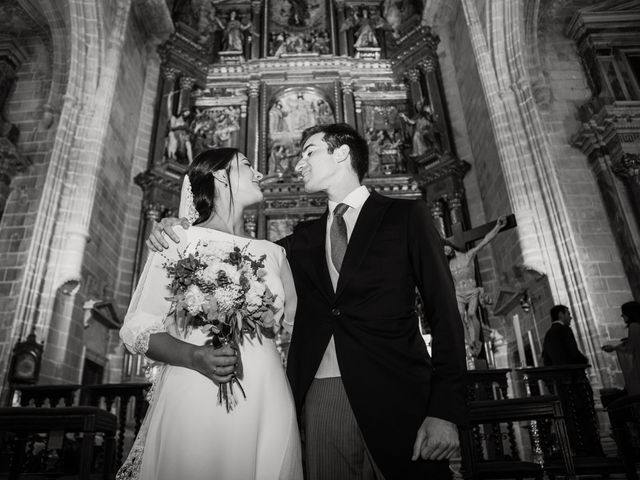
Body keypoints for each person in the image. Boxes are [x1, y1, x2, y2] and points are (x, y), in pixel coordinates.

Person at [148, 123, 468, 479]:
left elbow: (445, 314)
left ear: (342, 153)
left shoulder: (407, 216)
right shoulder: (298, 240)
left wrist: (446, 410)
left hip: (399, 392)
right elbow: (233, 255)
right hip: (321, 394)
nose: (298, 164)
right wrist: (178, 225)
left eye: (309, 153)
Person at [118, 148, 302, 480]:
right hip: (197, 386)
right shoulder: (178, 239)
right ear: (219, 175)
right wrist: (196, 356)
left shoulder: (275, 254)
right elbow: (136, 328)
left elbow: (296, 325)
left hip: (267, 392)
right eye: (248, 165)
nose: (259, 174)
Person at [444, 216, 507, 360]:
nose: (446, 251)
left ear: (450, 245)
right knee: (459, 317)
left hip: (471, 291)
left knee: (472, 314)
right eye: (443, 251)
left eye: (446, 247)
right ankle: (469, 343)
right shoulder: (448, 265)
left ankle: (476, 340)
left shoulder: (469, 255)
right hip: (459, 293)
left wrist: (498, 227)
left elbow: (485, 240)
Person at [602, 301, 640, 395]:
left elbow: (630, 350)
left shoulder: (634, 326)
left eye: (623, 313)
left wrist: (614, 348)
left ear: (629, 313)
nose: (622, 316)